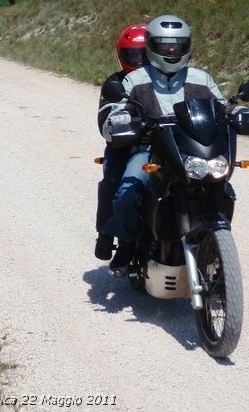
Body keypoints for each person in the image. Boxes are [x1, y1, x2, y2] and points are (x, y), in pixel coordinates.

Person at [101, 14, 226, 273]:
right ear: (151, 46)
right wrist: (120, 119)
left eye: (177, 45)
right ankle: (126, 243)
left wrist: (237, 113)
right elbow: (118, 109)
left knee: (222, 185)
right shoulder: (135, 80)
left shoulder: (201, 79)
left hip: (190, 149)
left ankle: (217, 242)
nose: (171, 50)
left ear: (187, 46)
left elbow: (222, 105)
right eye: (165, 45)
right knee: (129, 189)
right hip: (150, 150)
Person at [94, 24, 149, 260]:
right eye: (132, 55)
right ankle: (107, 235)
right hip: (124, 144)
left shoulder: (165, 79)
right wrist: (118, 121)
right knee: (113, 180)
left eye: (143, 55)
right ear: (121, 54)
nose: (138, 60)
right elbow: (104, 118)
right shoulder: (116, 82)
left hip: (164, 143)